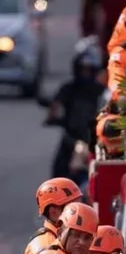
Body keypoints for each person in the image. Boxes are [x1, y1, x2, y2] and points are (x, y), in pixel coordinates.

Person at [44, 42, 107, 178]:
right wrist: (52, 116)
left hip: (93, 141)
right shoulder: (68, 88)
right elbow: (56, 105)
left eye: (89, 70)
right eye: (82, 69)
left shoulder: (102, 91)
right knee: (58, 172)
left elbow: (108, 109)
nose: (85, 73)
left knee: (100, 175)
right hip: (71, 138)